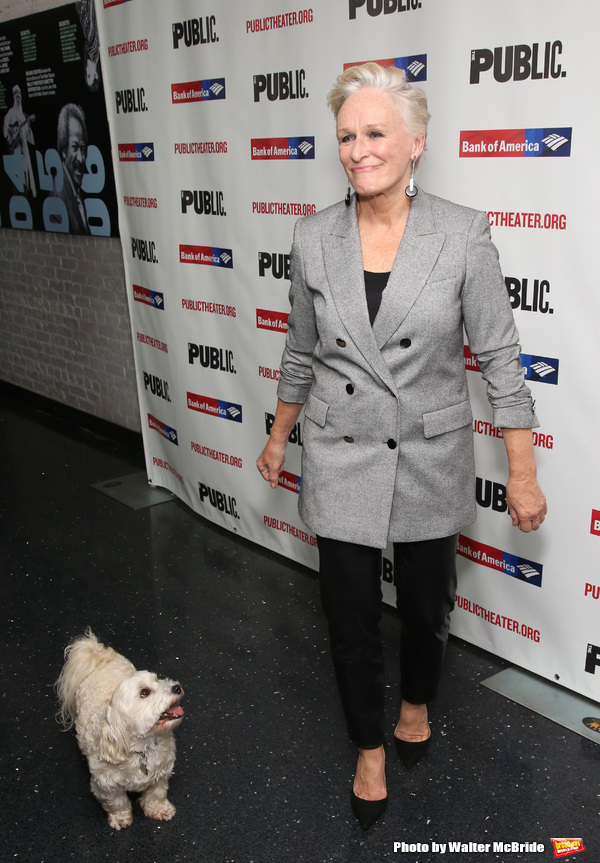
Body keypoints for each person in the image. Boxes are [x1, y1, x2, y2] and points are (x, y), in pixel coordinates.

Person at [256, 63, 546, 830]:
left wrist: (522, 471)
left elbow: (502, 358)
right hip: (341, 448)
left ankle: (416, 701)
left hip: (428, 452)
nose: (358, 149)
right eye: (347, 135)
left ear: (416, 142)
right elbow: (299, 352)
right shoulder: (313, 236)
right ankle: (369, 748)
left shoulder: (462, 232)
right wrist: (280, 436)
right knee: (348, 620)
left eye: (376, 132)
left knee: (425, 610)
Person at [55, 103, 89, 234]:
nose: (81, 158)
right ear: (63, 149)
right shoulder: (59, 198)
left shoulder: (77, 195)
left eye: (83, 150)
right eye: (75, 147)